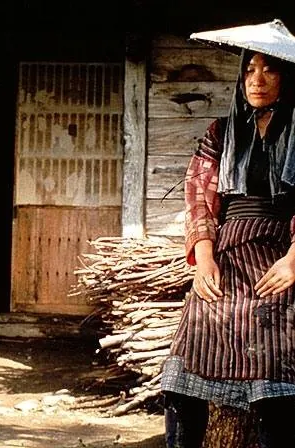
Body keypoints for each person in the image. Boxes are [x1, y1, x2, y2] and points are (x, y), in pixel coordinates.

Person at [161, 49, 295, 448]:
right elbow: (198, 197)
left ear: (289, 78)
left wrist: (293, 261)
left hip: (280, 255)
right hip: (227, 255)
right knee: (186, 366)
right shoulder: (221, 132)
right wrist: (204, 258)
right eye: (249, 70)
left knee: (276, 369)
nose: (257, 79)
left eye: (270, 70)